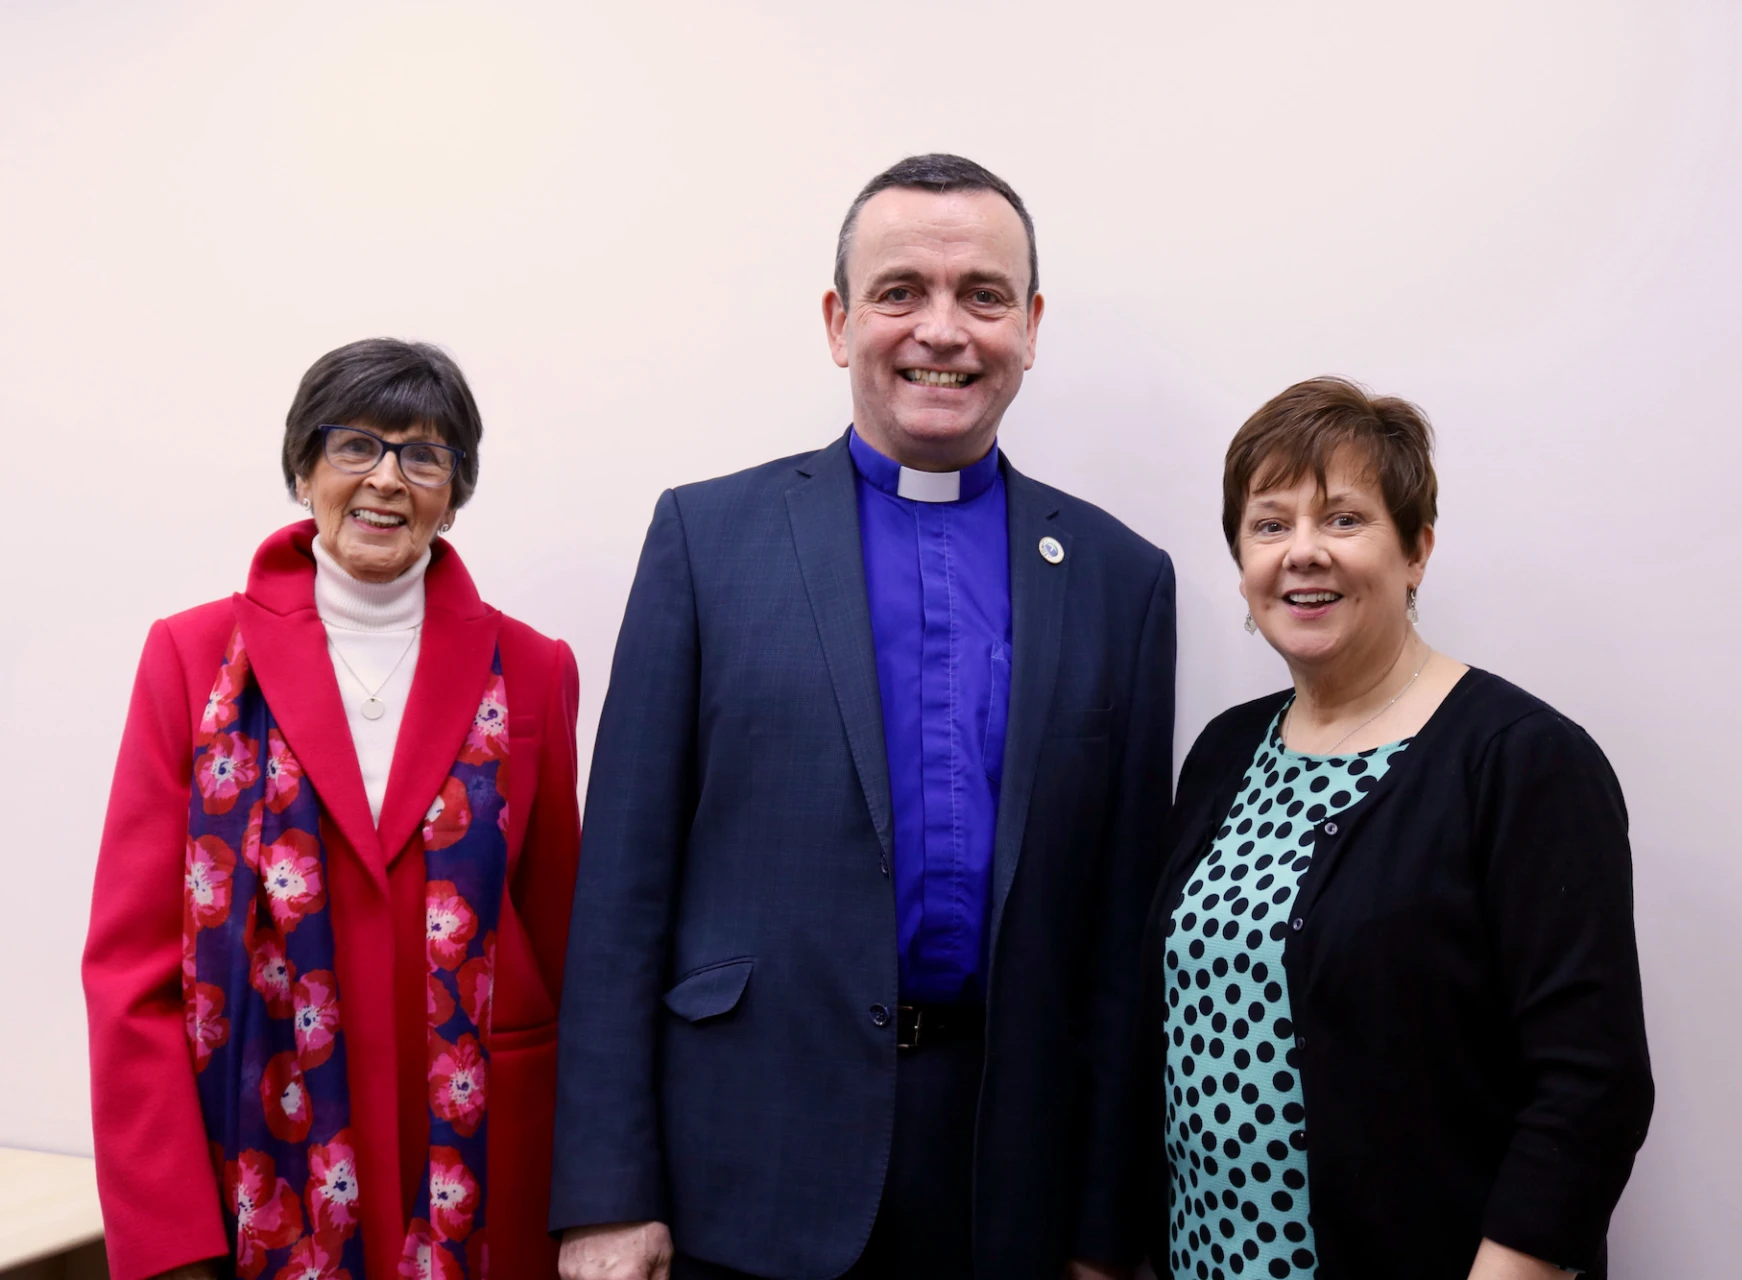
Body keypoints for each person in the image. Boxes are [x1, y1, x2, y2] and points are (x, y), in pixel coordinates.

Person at [550, 154, 1177, 1280]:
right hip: (743, 1173)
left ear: (1030, 327)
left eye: (983, 294)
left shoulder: (1122, 578)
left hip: (1008, 1189)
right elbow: (620, 898)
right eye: (901, 292)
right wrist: (605, 1194)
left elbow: (1120, 950)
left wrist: (1104, 1229)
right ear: (840, 323)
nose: (944, 328)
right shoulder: (706, 539)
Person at [82, 339, 582, 1280]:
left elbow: (568, 946)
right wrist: (168, 1237)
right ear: (304, 466)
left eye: (425, 455)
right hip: (260, 1150)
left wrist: (600, 1198)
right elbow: (130, 968)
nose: (387, 479)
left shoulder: (534, 665)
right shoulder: (192, 659)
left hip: (481, 1166)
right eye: (356, 444)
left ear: (455, 489)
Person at [1140, 378, 1654, 1280]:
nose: (1303, 554)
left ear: (1417, 549)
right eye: (1269, 525)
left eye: (1343, 519)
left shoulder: (1522, 763)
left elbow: (1590, 1089)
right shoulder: (1223, 754)